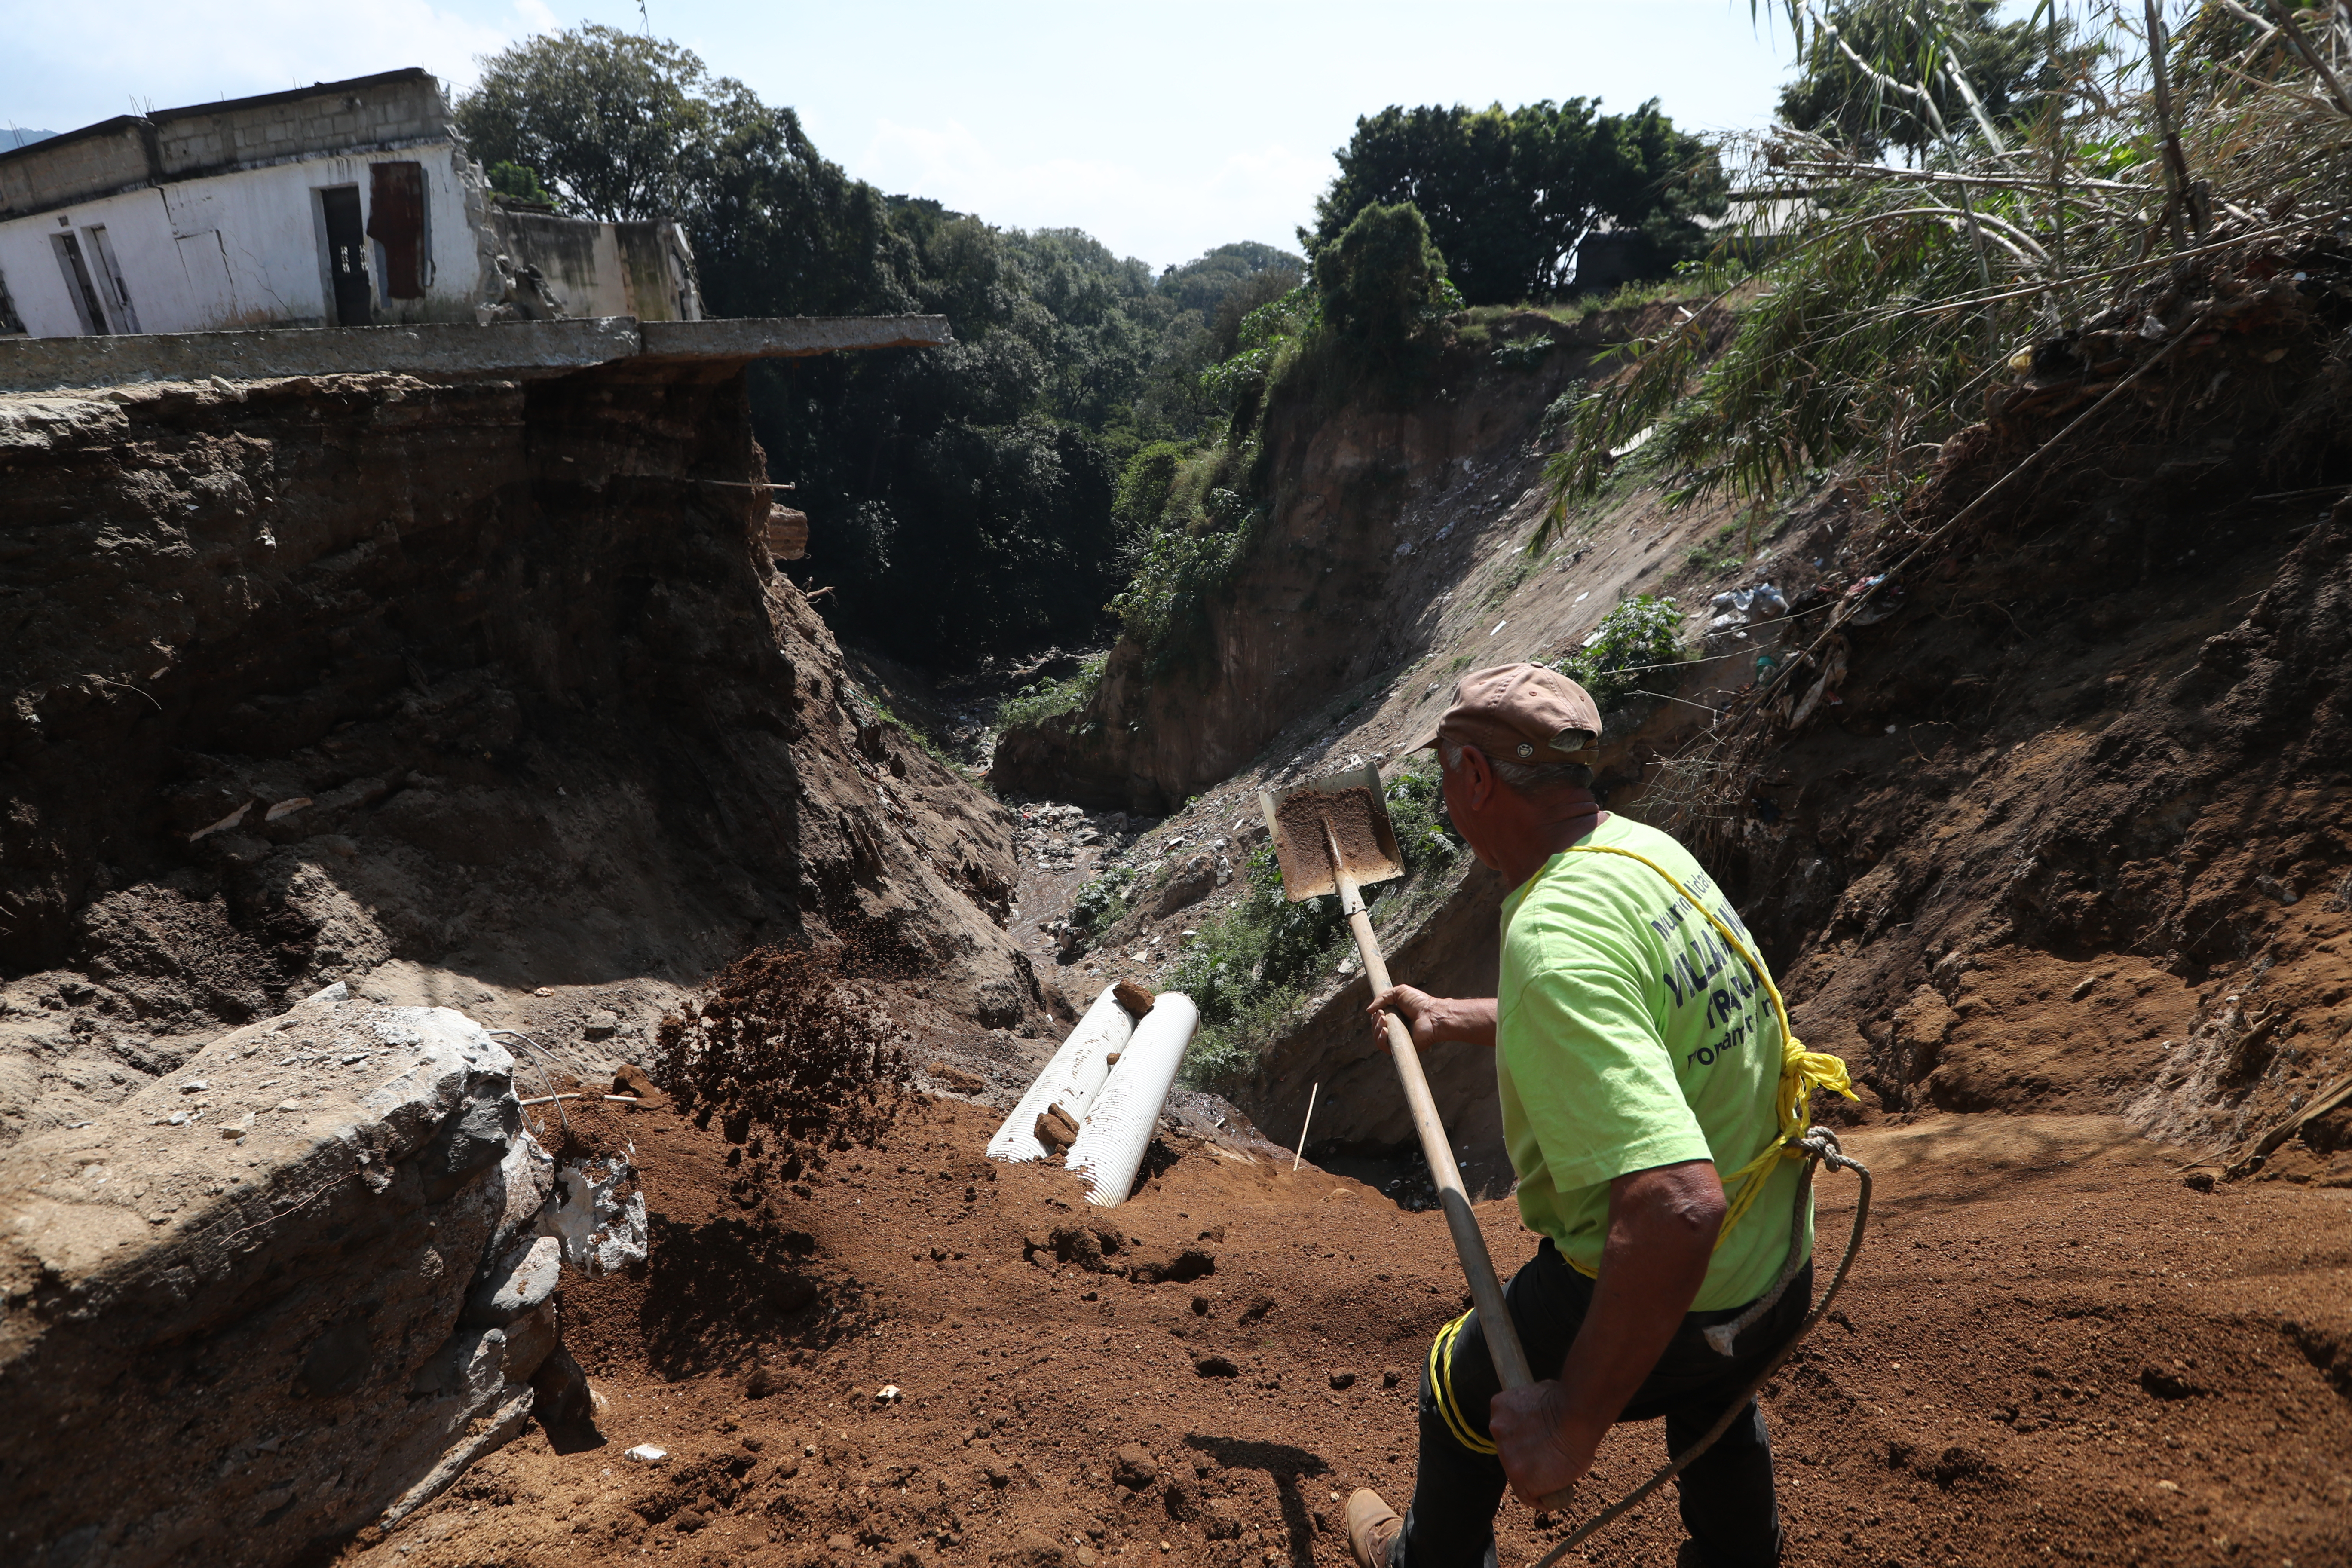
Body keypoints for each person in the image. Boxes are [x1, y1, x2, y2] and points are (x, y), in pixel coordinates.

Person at [1344, 663, 1848, 1568]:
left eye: (1444, 777)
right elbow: (1634, 1017)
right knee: (1720, 1404)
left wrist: (1569, 1429)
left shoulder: (1553, 935)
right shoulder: (1650, 856)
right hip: (1779, 1268)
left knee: (1459, 1386)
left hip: (1696, 1288)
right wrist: (1455, 1019)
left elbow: (1677, 1208)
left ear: (1476, 778)